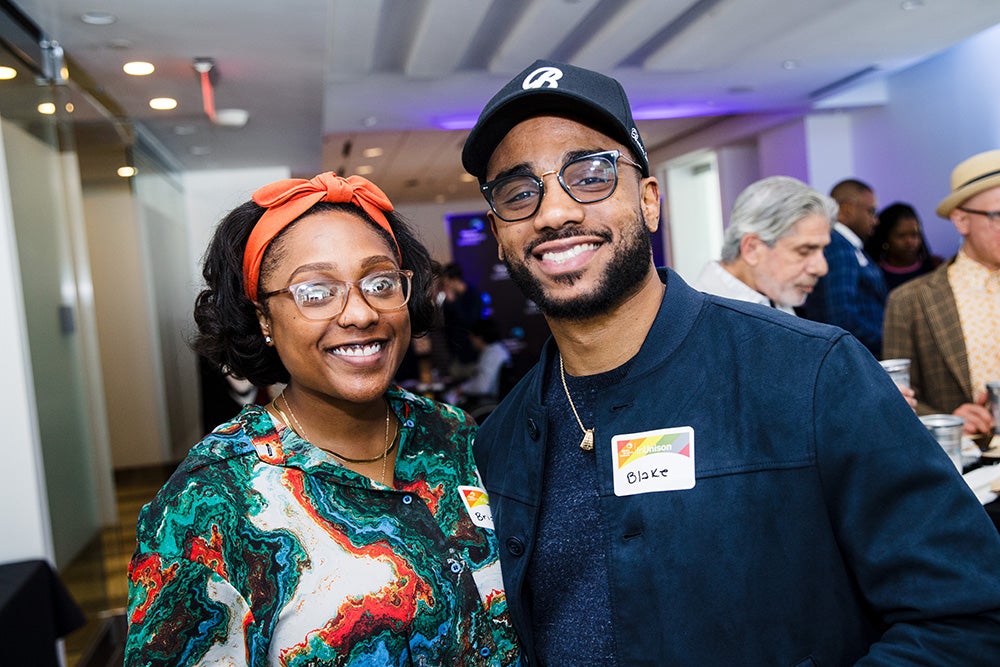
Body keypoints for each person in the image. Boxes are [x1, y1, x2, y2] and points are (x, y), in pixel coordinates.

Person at [460, 58, 1000, 665]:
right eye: (519, 192)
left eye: (590, 175)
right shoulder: (499, 442)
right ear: (499, 234)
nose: (555, 212)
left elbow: (966, 616)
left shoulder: (811, 374)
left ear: (649, 201)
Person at [124, 172, 521, 666]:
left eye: (380, 283)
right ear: (263, 319)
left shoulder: (453, 434)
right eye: (316, 292)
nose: (360, 314)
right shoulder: (211, 503)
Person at [884, 149, 1000, 437]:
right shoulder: (910, 301)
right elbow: (895, 397)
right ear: (961, 220)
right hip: (964, 458)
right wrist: (945, 421)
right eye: (998, 215)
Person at [695, 175, 834, 315]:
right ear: (752, 249)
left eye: (823, 250)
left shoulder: (772, 295)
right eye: (804, 252)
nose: (822, 268)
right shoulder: (702, 316)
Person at [801, 178, 888, 356]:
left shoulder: (846, 245)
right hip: (860, 354)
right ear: (847, 209)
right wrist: (888, 342)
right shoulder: (839, 247)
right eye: (871, 211)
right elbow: (841, 317)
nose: (875, 220)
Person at [865, 202, 942, 291]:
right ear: (885, 238)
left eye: (914, 235)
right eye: (901, 236)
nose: (909, 242)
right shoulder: (873, 274)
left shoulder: (935, 267)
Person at [445, 318, 513, 409]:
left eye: (472, 336)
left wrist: (461, 389)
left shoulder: (492, 354)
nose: (470, 340)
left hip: (488, 403)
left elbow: (482, 386)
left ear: (479, 337)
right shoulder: (495, 350)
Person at [440, 262, 484, 380]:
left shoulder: (473, 295)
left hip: (473, 355)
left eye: (447, 282)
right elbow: (446, 326)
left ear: (455, 279)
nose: (446, 286)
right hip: (456, 356)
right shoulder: (449, 300)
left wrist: (454, 302)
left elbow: (472, 322)